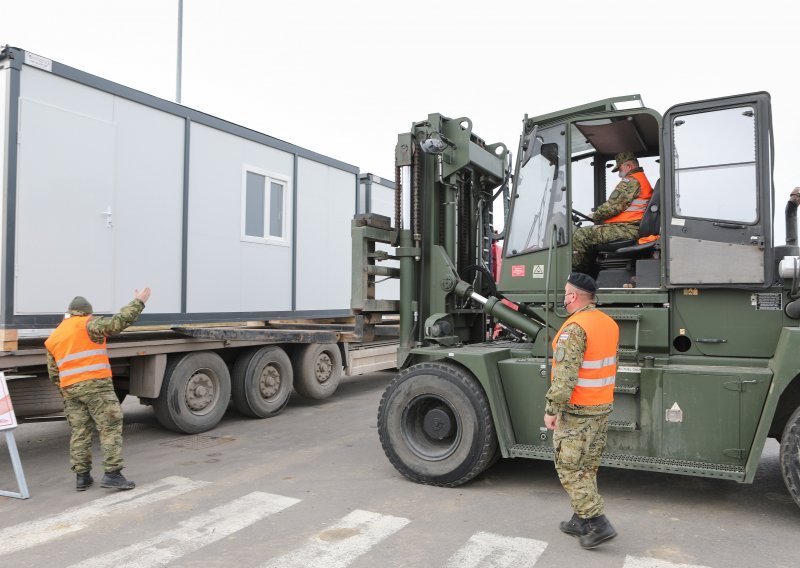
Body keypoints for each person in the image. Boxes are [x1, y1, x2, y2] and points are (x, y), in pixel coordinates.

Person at [45, 288, 151, 491]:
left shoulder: (55, 336)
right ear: (87, 313)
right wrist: (138, 302)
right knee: (109, 426)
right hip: (96, 387)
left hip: (70, 390)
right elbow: (118, 322)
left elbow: (53, 373)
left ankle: (82, 477)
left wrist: (68, 389)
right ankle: (112, 474)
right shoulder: (89, 324)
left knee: (80, 431)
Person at [544, 273, 619, 549]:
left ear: (573, 297)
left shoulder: (574, 328)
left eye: (566, 294)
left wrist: (552, 409)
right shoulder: (608, 323)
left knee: (569, 467)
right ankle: (580, 520)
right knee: (587, 466)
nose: (564, 299)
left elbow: (565, 377)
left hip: (577, 410)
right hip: (600, 407)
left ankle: (597, 522)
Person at [572, 151, 653, 274]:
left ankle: (576, 276)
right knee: (591, 237)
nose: (619, 173)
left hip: (627, 229)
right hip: (630, 227)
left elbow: (612, 207)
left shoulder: (630, 181)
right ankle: (590, 273)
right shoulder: (640, 179)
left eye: (620, 169)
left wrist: (595, 215)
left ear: (629, 166)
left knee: (581, 235)